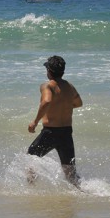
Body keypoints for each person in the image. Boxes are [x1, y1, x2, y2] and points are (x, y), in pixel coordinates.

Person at [27, 55, 83, 187]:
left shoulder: (47, 86)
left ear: (49, 71)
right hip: (66, 133)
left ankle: (30, 189)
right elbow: (79, 103)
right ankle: (82, 192)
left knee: (30, 158)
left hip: (50, 133)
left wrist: (34, 122)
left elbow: (47, 101)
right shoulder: (70, 86)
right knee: (70, 173)